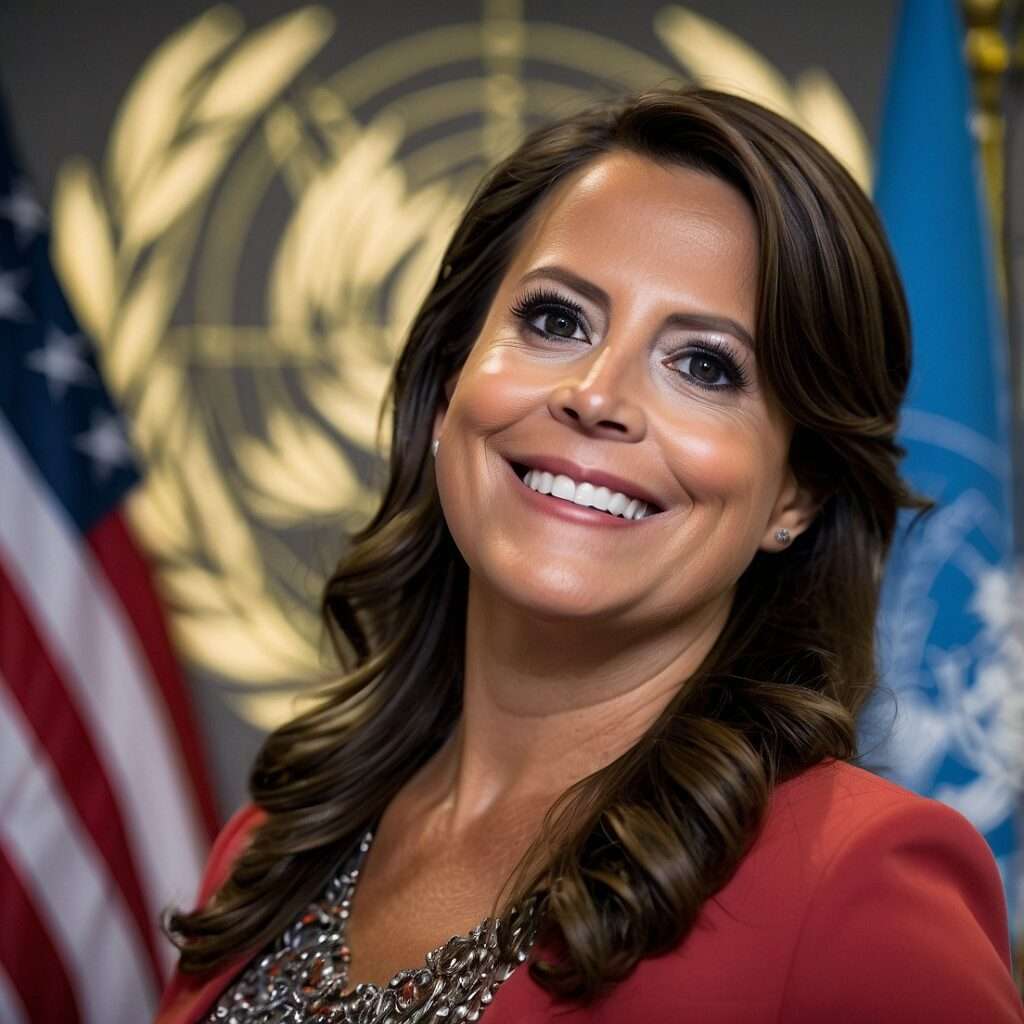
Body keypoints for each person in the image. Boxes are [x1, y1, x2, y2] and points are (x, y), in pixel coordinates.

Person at [156, 87, 1024, 1023]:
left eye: (706, 367)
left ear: (795, 493)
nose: (595, 394)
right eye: (556, 320)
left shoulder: (856, 883)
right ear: (452, 376)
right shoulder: (270, 847)